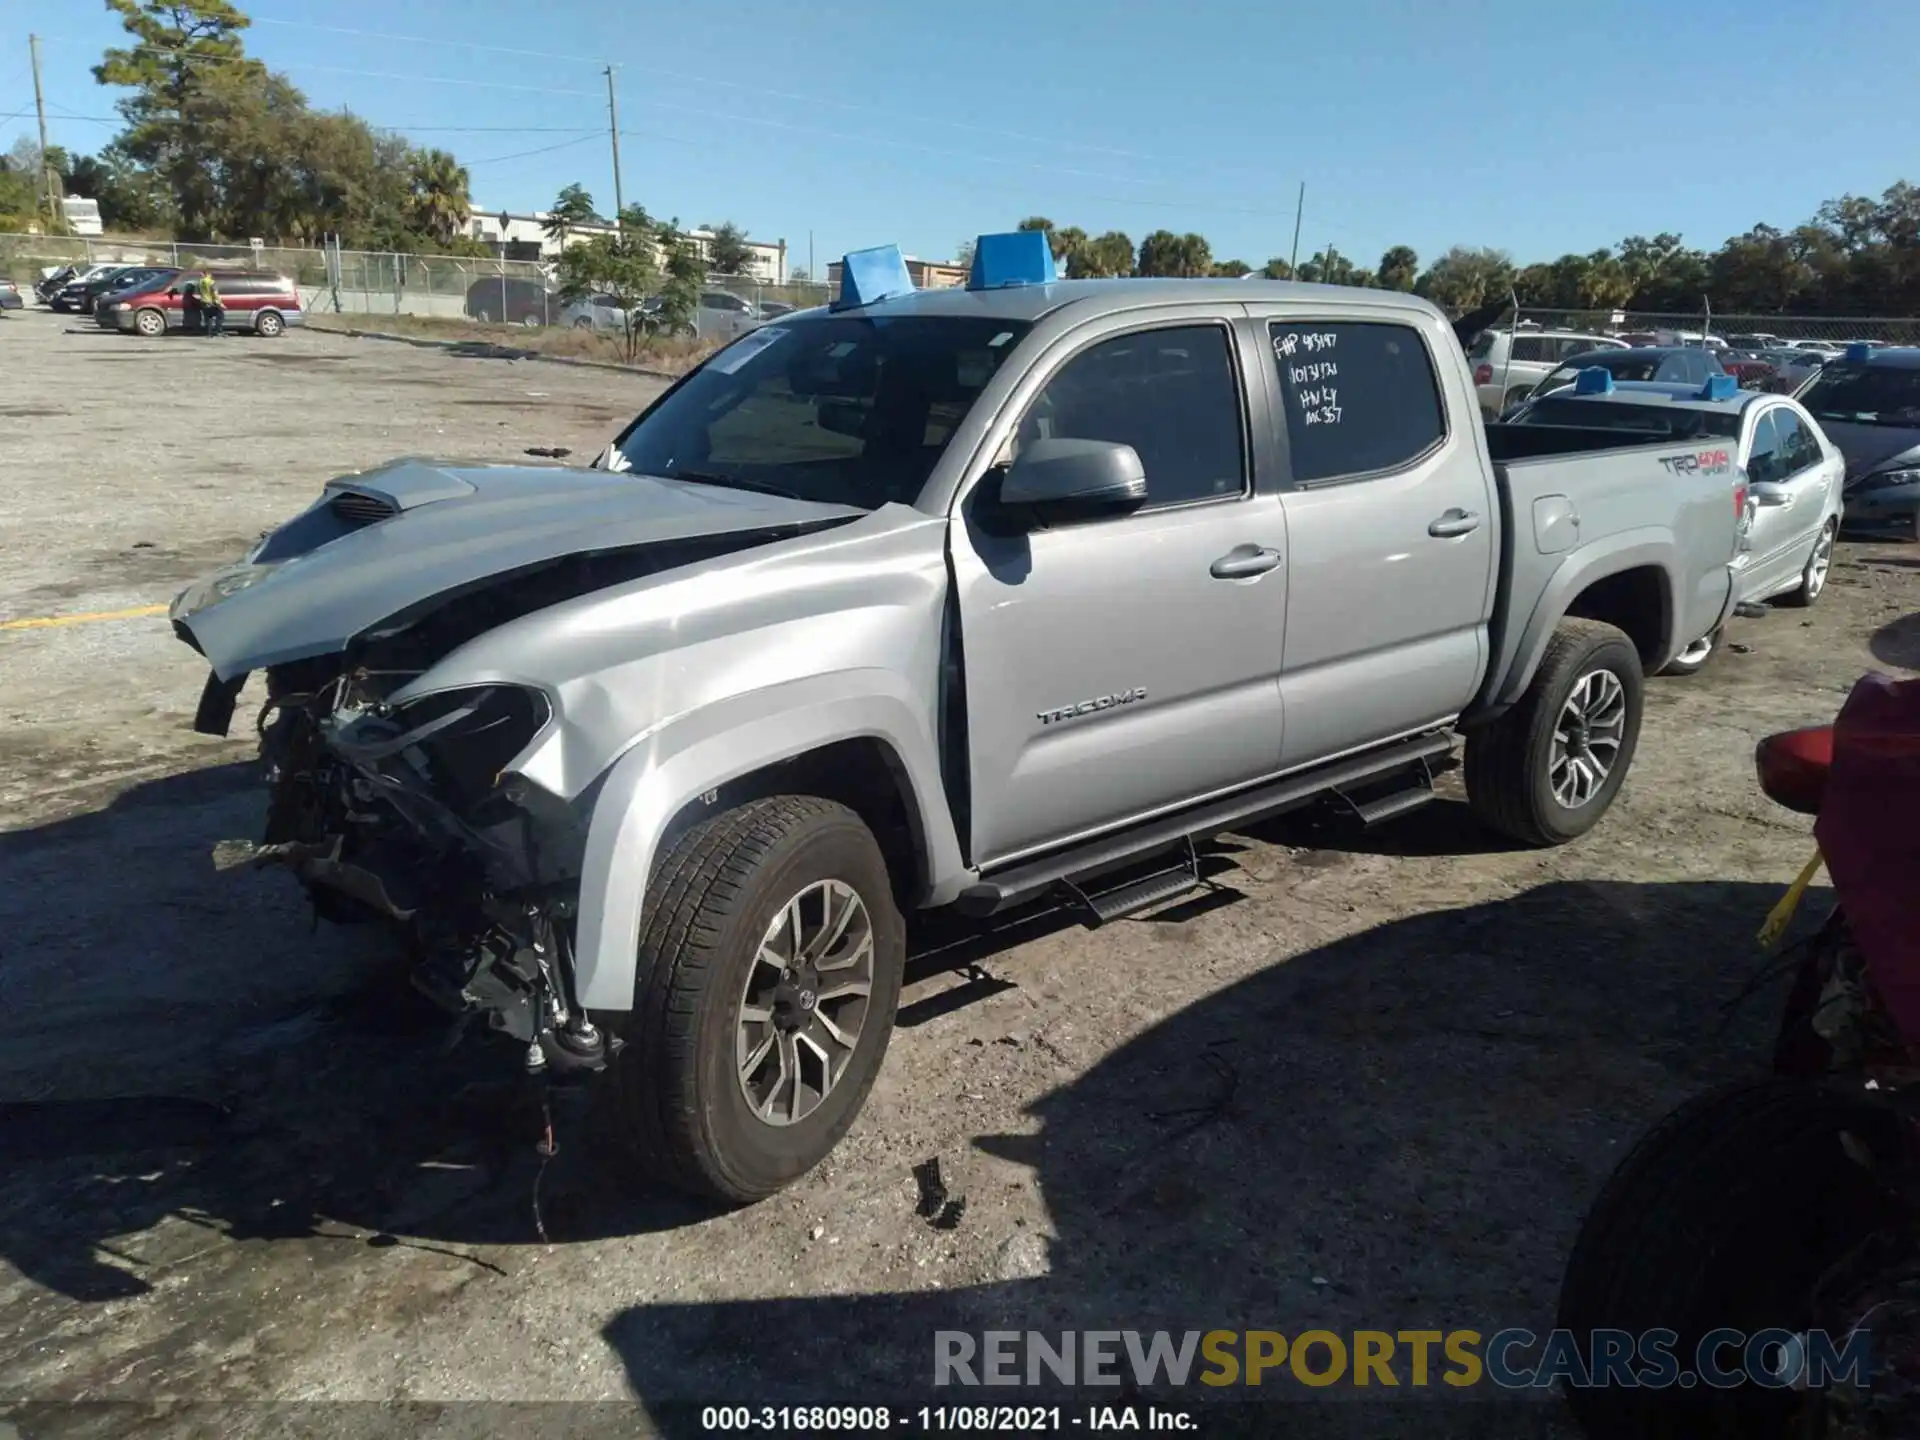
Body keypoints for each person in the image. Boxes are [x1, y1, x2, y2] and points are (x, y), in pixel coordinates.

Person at [198, 272, 224, 337]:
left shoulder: (201, 282)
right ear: (209, 274)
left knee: (208, 317)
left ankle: (209, 332)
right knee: (220, 315)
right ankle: (218, 331)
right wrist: (220, 303)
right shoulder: (211, 282)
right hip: (210, 302)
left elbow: (200, 292)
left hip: (203, 301)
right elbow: (215, 293)